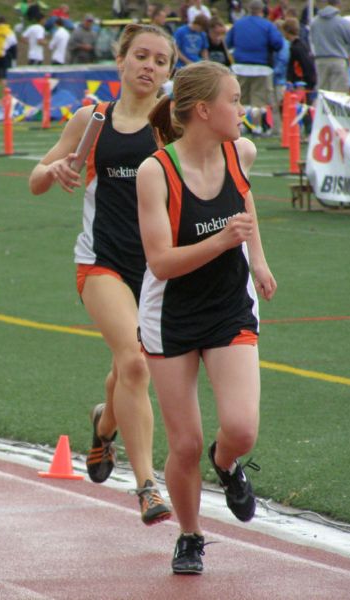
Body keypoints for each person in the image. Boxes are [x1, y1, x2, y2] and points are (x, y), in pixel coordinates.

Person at [29, 24, 176, 526]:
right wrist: (55, 172)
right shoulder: (93, 119)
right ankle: (146, 486)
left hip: (160, 269)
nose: (149, 66)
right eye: (141, 56)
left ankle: (104, 422)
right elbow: (36, 179)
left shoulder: (175, 123)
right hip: (101, 264)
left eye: (160, 60)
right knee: (136, 363)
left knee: (125, 366)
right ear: (121, 60)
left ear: (169, 71)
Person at [138, 60, 276, 574]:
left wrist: (257, 259)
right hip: (170, 313)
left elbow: (244, 199)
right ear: (203, 110)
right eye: (235, 100)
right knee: (185, 442)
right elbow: (160, 262)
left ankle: (227, 463)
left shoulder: (242, 152)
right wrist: (222, 240)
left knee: (239, 429)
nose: (243, 110)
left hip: (228, 306)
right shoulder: (157, 171)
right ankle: (190, 535)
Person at [225, 0, 284, 134]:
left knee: (241, 99)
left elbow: (228, 42)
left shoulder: (238, 24)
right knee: (259, 101)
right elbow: (278, 43)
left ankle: (241, 126)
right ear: (262, 10)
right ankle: (257, 127)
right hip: (261, 67)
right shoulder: (267, 25)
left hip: (240, 66)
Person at [309, 0, 350, 93]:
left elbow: (312, 39)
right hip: (338, 59)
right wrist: (349, 54)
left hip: (320, 60)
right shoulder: (342, 22)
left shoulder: (315, 21)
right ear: (339, 4)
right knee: (339, 94)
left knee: (322, 93)